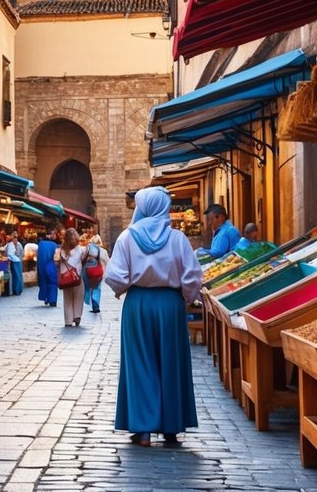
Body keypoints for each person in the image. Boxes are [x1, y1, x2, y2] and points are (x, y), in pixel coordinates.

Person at [104, 185, 201, 447]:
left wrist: (122, 290)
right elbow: (192, 276)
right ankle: (171, 426)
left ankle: (143, 429)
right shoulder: (178, 239)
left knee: (140, 362)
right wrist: (186, 299)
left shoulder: (126, 238)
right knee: (171, 361)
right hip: (170, 304)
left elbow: (115, 276)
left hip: (138, 304)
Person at [56, 228, 85, 327]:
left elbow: (55, 261)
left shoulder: (61, 250)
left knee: (67, 299)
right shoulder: (81, 250)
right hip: (77, 277)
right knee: (78, 297)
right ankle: (77, 316)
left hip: (66, 278)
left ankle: (68, 320)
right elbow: (84, 260)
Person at [82, 232, 110, 314]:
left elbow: (82, 258)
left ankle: (87, 301)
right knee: (97, 288)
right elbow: (108, 262)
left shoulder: (88, 249)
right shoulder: (103, 251)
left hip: (88, 271)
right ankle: (96, 305)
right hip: (98, 272)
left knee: (87, 287)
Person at [36, 223, 61, 307]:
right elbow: (57, 257)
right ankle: (52, 300)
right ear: (51, 234)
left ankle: (46, 297)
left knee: (43, 281)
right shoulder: (54, 245)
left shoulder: (41, 244)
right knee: (52, 283)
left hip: (42, 265)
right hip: (52, 266)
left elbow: (38, 256)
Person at [2, 228, 24, 296]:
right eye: (14, 238)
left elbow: (21, 253)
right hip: (12, 262)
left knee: (18, 276)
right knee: (14, 276)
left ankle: (18, 290)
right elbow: (6, 253)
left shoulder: (19, 245)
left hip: (18, 262)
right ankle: (14, 290)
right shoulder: (9, 245)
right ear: (12, 238)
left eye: (16, 238)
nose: (15, 239)